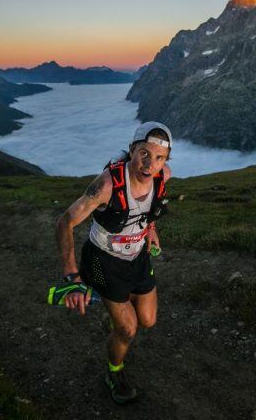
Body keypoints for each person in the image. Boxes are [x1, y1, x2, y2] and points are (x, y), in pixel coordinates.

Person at [55, 121, 172, 405]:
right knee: (127, 329)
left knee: (147, 320)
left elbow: (152, 207)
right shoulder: (107, 184)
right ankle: (114, 374)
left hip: (138, 258)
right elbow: (65, 222)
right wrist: (72, 276)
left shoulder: (162, 176)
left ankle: (112, 309)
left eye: (159, 158)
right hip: (102, 261)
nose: (150, 164)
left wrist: (152, 230)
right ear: (132, 149)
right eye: (144, 153)